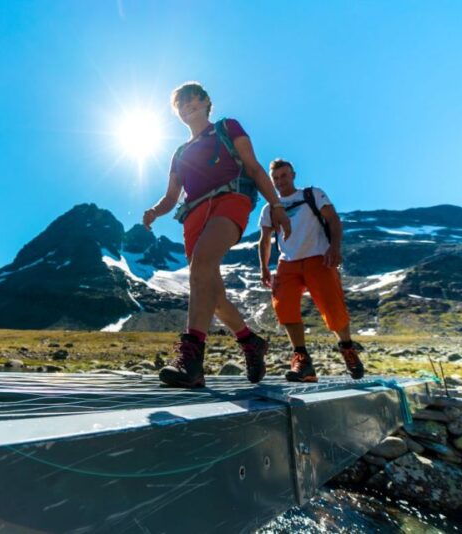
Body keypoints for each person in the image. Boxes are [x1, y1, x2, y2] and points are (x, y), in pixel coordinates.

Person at [143, 82, 291, 388]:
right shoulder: (179, 153)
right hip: (193, 215)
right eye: (180, 104)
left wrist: (276, 205)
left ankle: (191, 362)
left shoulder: (227, 127)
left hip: (231, 199)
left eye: (192, 99)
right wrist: (155, 211)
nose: (187, 106)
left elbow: (253, 167)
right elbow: (171, 196)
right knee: (213, 293)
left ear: (206, 102)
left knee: (201, 265)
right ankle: (250, 341)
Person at [258, 158, 364, 382]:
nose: (280, 181)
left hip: (318, 258)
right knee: (284, 307)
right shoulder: (270, 208)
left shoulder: (312, 195)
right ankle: (302, 360)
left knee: (332, 307)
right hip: (287, 263)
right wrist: (264, 267)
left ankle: (347, 349)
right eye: (275, 178)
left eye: (284, 175)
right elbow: (265, 240)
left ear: (293, 175)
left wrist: (334, 247)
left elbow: (333, 220)